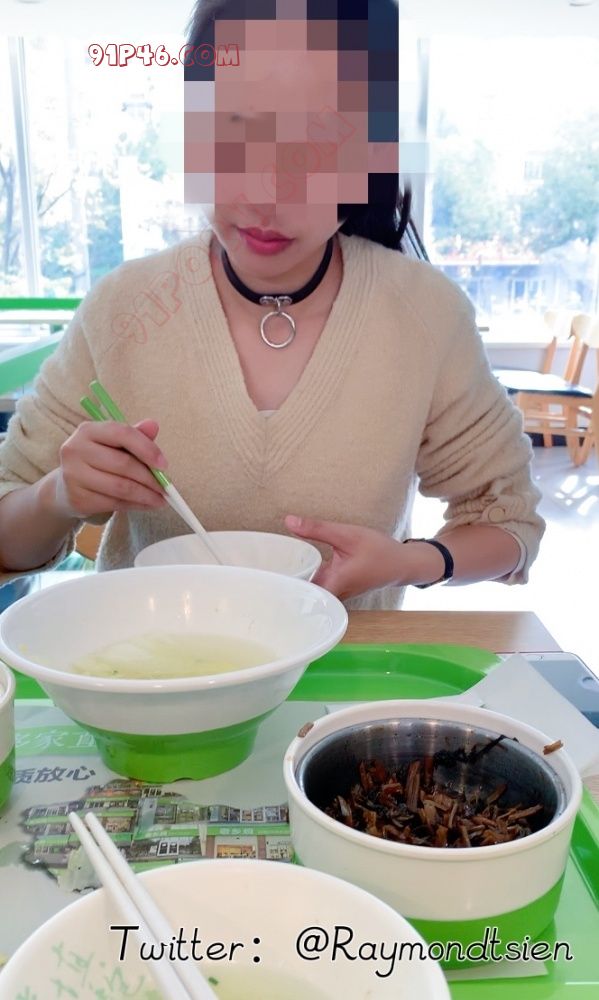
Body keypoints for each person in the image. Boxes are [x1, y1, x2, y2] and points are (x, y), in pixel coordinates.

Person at [0, 0, 544, 608]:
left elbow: (511, 525)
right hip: (143, 662)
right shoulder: (122, 310)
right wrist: (57, 496)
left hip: (344, 667)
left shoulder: (425, 315)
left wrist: (408, 562)